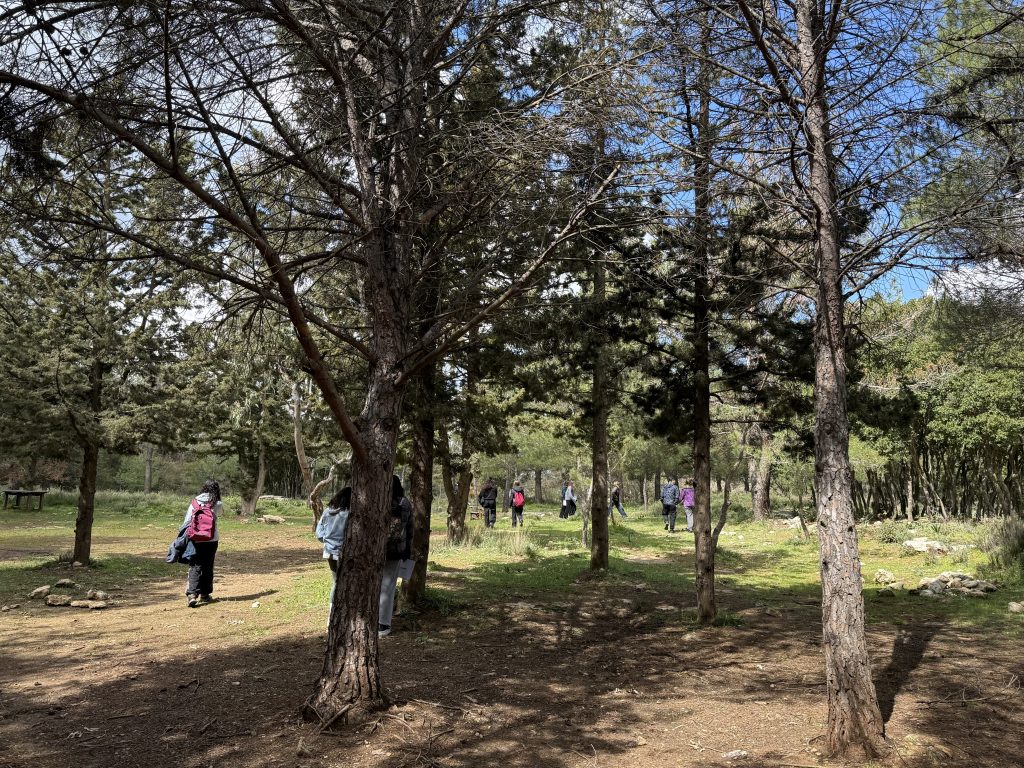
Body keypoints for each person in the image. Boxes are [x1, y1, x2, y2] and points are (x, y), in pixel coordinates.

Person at [379, 475, 414, 638]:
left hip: (375, 549)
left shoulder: (378, 500)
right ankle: (383, 624)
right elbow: (410, 528)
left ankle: (371, 617)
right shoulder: (405, 503)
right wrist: (408, 550)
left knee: (375, 585)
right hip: (396, 550)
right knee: (388, 586)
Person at [183, 478, 223, 607]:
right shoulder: (217, 503)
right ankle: (205, 594)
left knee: (195, 565)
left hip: (196, 539)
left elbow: (187, 520)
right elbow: (219, 515)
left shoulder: (194, 502)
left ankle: (192, 594)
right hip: (211, 539)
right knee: (208, 566)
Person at [316, 486, 351, 624]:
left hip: (329, 553)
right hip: (344, 553)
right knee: (344, 583)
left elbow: (319, 534)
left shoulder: (327, 511)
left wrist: (328, 541)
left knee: (336, 582)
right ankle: (338, 616)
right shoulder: (350, 513)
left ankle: (332, 615)